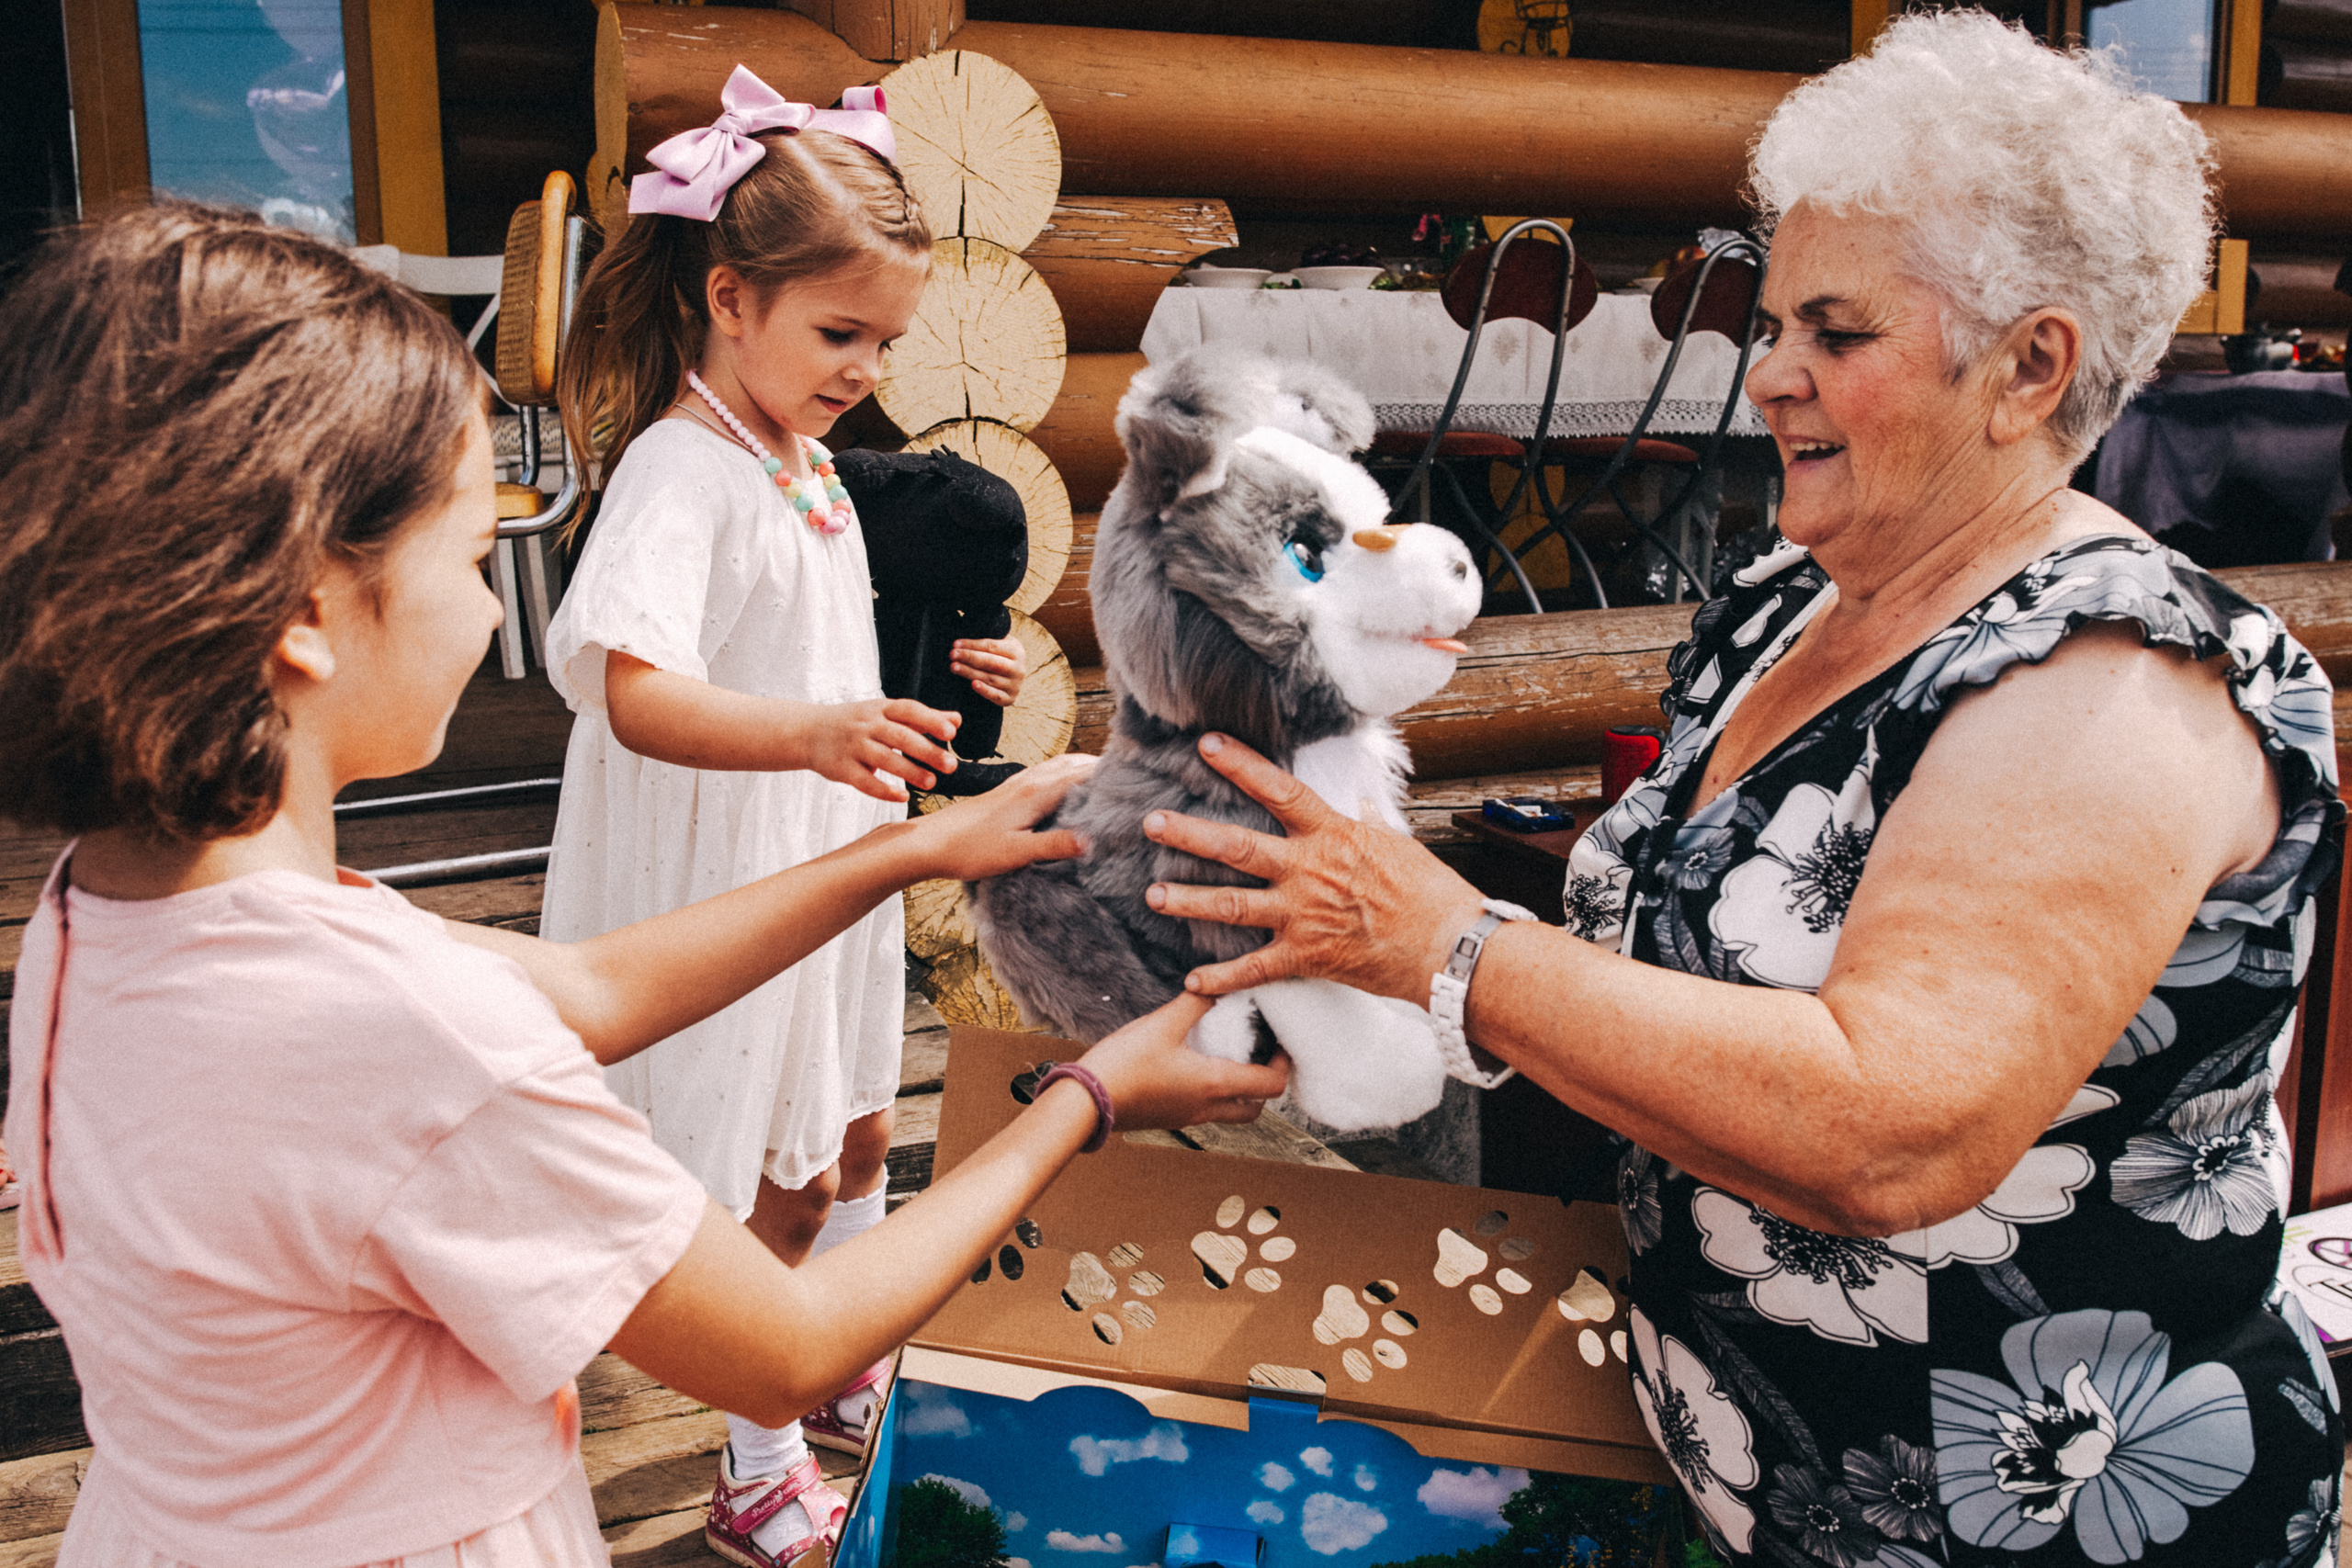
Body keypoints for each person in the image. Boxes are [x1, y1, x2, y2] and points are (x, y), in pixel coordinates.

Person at [1134, 15, 2344, 1566]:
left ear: (2030, 366)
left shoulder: (2111, 676)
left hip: (2043, 1524)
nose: (1768, 376)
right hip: (1769, 1485)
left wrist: (1451, 950)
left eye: (1835, 335)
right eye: (1772, 325)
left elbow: (1896, 1131)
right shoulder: (1790, 600)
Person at [0, 202, 1285, 1568]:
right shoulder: (400, 1035)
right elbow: (784, 1350)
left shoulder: (105, 913)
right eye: (468, 552)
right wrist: (1087, 1098)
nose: (502, 606)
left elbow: (584, 988)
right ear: (305, 616)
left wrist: (911, 847)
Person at [539, 66, 1028, 1523]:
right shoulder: (681, 473)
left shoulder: (800, 457)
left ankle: (836, 1357)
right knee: (783, 1174)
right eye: (838, 331)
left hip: (829, 864)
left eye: (886, 339)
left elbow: (805, 641)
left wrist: (941, 677)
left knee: (863, 1124)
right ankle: (759, 1465)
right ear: (727, 297)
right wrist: (817, 737)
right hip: (735, 881)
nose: (865, 366)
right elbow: (633, 688)